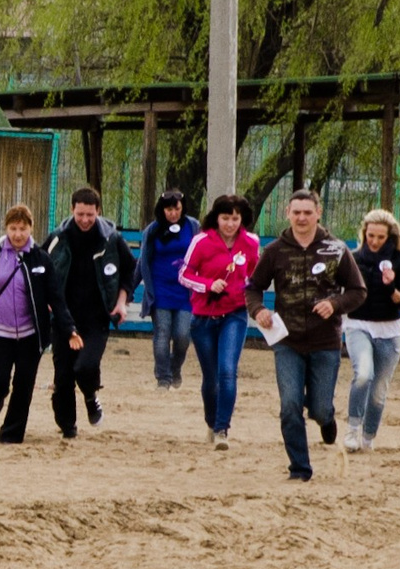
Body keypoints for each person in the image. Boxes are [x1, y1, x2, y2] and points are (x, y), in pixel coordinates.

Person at [247, 189, 366, 483]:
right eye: (296, 212)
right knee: (289, 405)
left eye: (307, 212)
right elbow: (253, 288)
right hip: (287, 341)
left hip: (325, 342)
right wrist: (258, 310)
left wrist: (335, 304)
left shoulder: (336, 250)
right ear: (287, 213)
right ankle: (299, 468)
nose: (302, 218)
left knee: (320, 408)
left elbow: (358, 291)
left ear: (318, 214)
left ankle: (326, 420)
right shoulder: (274, 251)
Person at [0, 204, 76, 445]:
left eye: (22, 229)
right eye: (13, 228)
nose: (17, 234)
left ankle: (11, 435)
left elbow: (56, 297)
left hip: (30, 335)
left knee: (24, 385)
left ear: (30, 228)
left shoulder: (41, 258)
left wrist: (70, 330)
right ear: (6, 228)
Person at [46, 186, 139, 438]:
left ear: (98, 211)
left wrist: (122, 301)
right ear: (72, 210)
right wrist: (46, 299)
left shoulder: (112, 239)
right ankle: (68, 428)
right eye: (80, 214)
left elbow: (130, 270)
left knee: (85, 367)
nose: (85, 220)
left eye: (90, 214)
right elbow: (41, 268)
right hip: (63, 319)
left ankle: (90, 396)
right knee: (63, 377)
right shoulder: (58, 238)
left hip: (96, 318)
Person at [178, 194, 259, 449]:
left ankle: (223, 428)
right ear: (216, 218)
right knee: (211, 378)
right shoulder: (201, 241)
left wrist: (246, 290)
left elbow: (255, 274)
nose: (230, 224)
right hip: (203, 318)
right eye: (225, 218)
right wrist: (207, 285)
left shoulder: (251, 243)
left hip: (235, 314)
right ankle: (211, 422)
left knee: (227, 371)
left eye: (235, 218)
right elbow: (184, 274)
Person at [341, 208, 400, 452]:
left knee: (378, 390)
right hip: (358, 325)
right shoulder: (352, 259)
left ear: (390, 237)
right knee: (364, 374)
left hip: (389, 331)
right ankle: (352, 429)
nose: (374, 241)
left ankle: (368, 436)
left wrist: (391, 286)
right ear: (364, 233)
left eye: (380, 237)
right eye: (370, 235)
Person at [139, 190, 197, 390]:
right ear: (162, 209)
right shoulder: (153, 230)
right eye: (169, 209)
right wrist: (128, 290)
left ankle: (175, 367)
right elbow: (143, 261)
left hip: (186, 291)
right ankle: (163, 378)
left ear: (183, 208)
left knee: (182, 335)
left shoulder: (193, 227)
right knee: (162, 334)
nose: (173, 213)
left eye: (177, 209)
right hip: (160, 289)